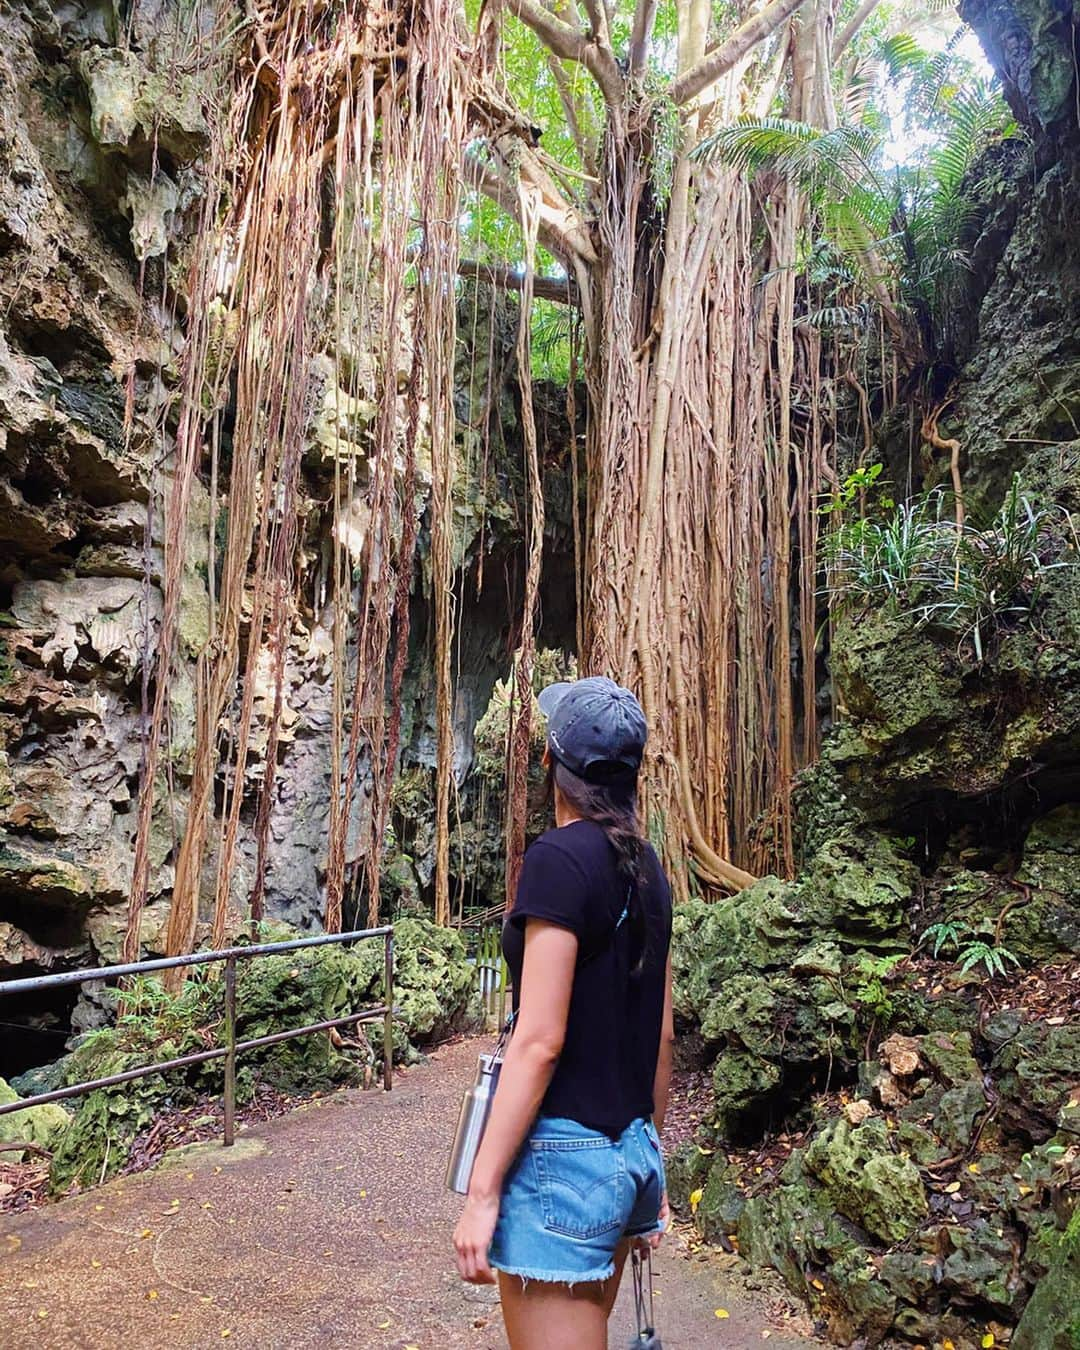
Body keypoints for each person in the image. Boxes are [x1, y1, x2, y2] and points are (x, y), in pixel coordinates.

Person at [453, 676, 675, 1350]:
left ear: (552, 766)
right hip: (629, 1150)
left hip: (564, 1165)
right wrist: (647, 1167)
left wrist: (483, 1190)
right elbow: (661, 1037)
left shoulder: (556, 860)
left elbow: (539, 1039)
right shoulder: (648, 867)